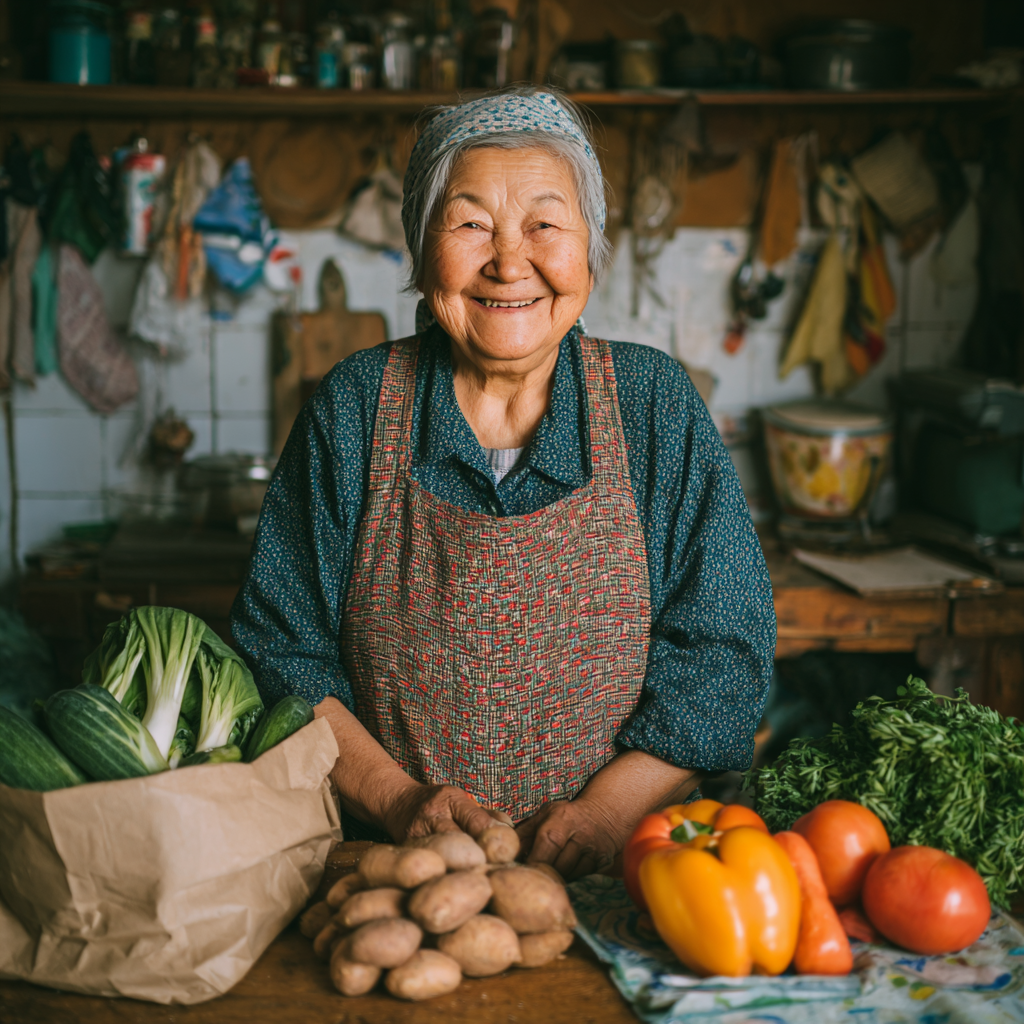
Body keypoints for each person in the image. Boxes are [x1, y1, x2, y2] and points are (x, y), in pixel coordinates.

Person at [232, 88, 775, 879]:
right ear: (422, 253)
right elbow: (277, 649)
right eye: (470, 224)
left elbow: (724, 656)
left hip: (627, 875)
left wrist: (608, 813)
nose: (509, 262)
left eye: (545, 224)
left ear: (590, 250)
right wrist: (395, 801)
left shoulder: (653, 405)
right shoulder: (355, 406)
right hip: (389, 874)